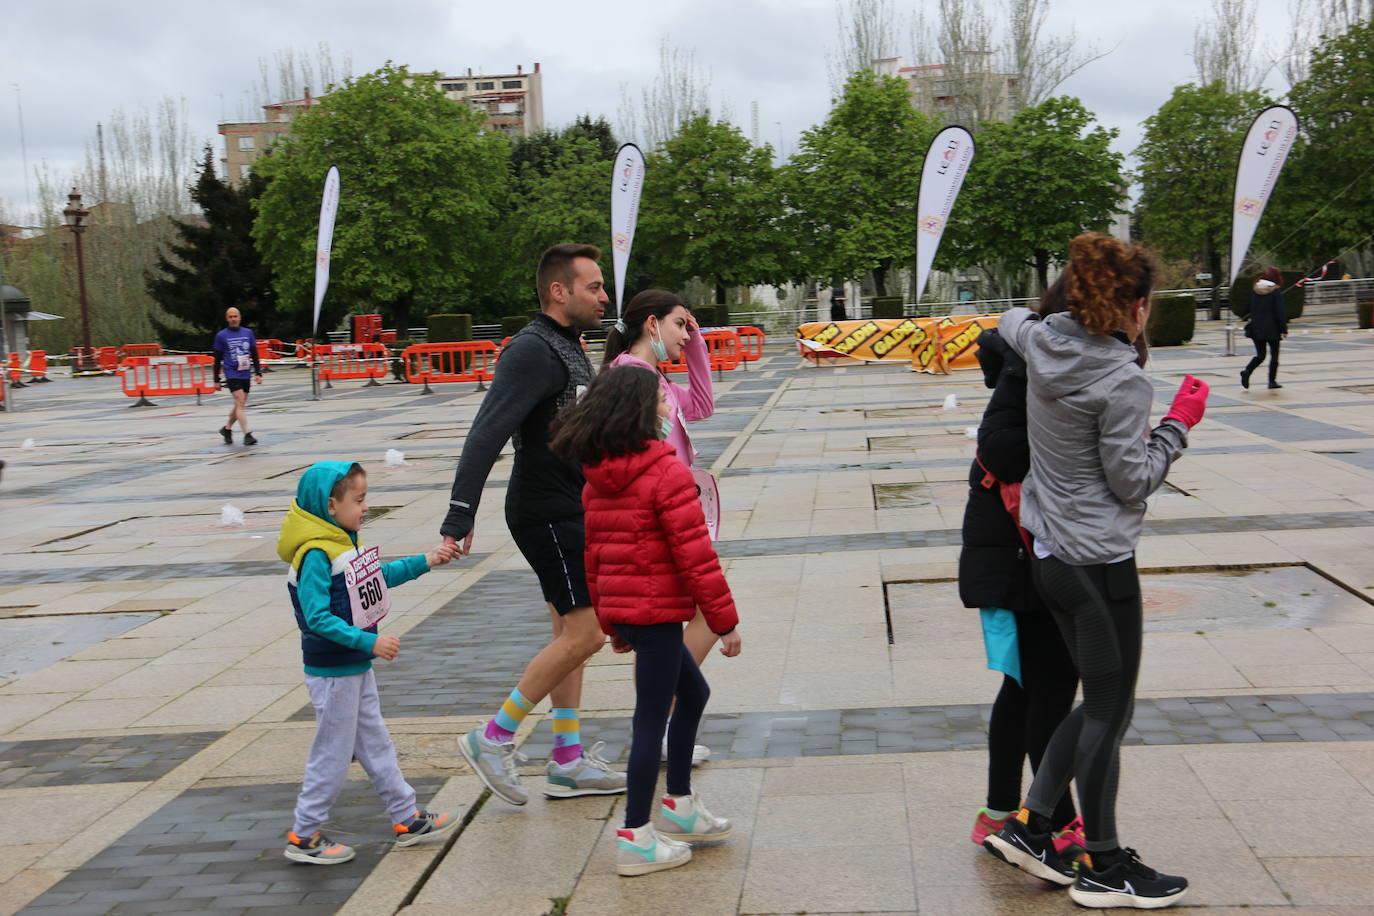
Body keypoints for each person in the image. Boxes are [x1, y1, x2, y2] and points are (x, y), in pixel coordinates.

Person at [984, 233, 1207, 910]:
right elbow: (1130, 479)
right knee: (1110, 711)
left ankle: (1032, 825)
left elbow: (1006, 320)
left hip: (1050, 555)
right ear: (1136, 306)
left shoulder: (1040, 339)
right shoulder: (1123, 379)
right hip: (1100, 564)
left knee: (1101, 706)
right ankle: (1104, 865)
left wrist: (1041, 318)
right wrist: (1179, 424)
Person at [441, 243, 626, 806]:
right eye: (593, 287)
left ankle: (566, 760)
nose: (604, 296)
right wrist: (460, 512)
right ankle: (491, 738)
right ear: (558, 292)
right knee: (587, 633)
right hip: (546, 511)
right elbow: (487, 430)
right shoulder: (530, 349)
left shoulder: (569, 346)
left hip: (573, 504)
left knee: (570, 639)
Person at [549, 366, 741, 876]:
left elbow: (595, 560)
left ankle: (678, 802)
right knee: (650, 723)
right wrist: (725, 622)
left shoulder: (597, 478)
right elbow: (696, 555)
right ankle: (635, 835)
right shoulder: (666, 473)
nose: (668, 405)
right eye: (661, 397)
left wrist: (613, 624)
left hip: (635, 615)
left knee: (693, 694)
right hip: (654, 618)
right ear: (639, 410)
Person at [277, 460, 460, 864]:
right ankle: (304, 835)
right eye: (359, 500)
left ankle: (406, 817)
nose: (364, 508)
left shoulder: (342, 543)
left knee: (375, 742)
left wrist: (427, 560)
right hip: (333, 672)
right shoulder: (316, 554)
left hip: (353, 665)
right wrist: (369, 642)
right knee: (333, 753)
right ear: (330, 505)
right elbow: (317, 617)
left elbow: (378, 576)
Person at [959, 285, 1081, 854]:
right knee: (1050, 690)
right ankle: (1054, 823)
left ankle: (1002, 811)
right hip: (1023, 552)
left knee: (1028, 685)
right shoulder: (1032, 364)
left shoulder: (1039, 359)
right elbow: (1002, 450)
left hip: (1022, 548)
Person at [604, 289, 716, 765]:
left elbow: (704, 405)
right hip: (655, 524)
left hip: (672, 517)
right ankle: (658, 727)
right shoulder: (632, 379)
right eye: (679, 326)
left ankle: (658, 727)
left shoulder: (653, 378)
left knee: (668, 635)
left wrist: (694, 346)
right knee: (700, 622)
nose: (684, 334)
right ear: (652, 324)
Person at [213, 307, 263, 445]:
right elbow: (217, 359)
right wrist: (216, 379)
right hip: (231, 372)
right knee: (240, 401)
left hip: (245, 372)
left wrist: (258, 373)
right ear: (227, 319)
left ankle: (227, 429)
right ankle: (247, 434)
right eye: (230, 317)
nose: (233, 319)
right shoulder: (221, 336)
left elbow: (255, 353)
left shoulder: (248, 333)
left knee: (239, 404)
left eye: (235, 316)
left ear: (240, 317)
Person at [1241, 265, 1287, 390]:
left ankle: (1247, 371)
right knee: (1274, 355)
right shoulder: (1276, 291)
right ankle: (1272, 381)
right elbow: (1280, 312)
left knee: (1260, 355)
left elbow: (1247, 309)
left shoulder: (1255, 290)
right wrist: (1284, 329)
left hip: (1256, 328)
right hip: (1272, 329)